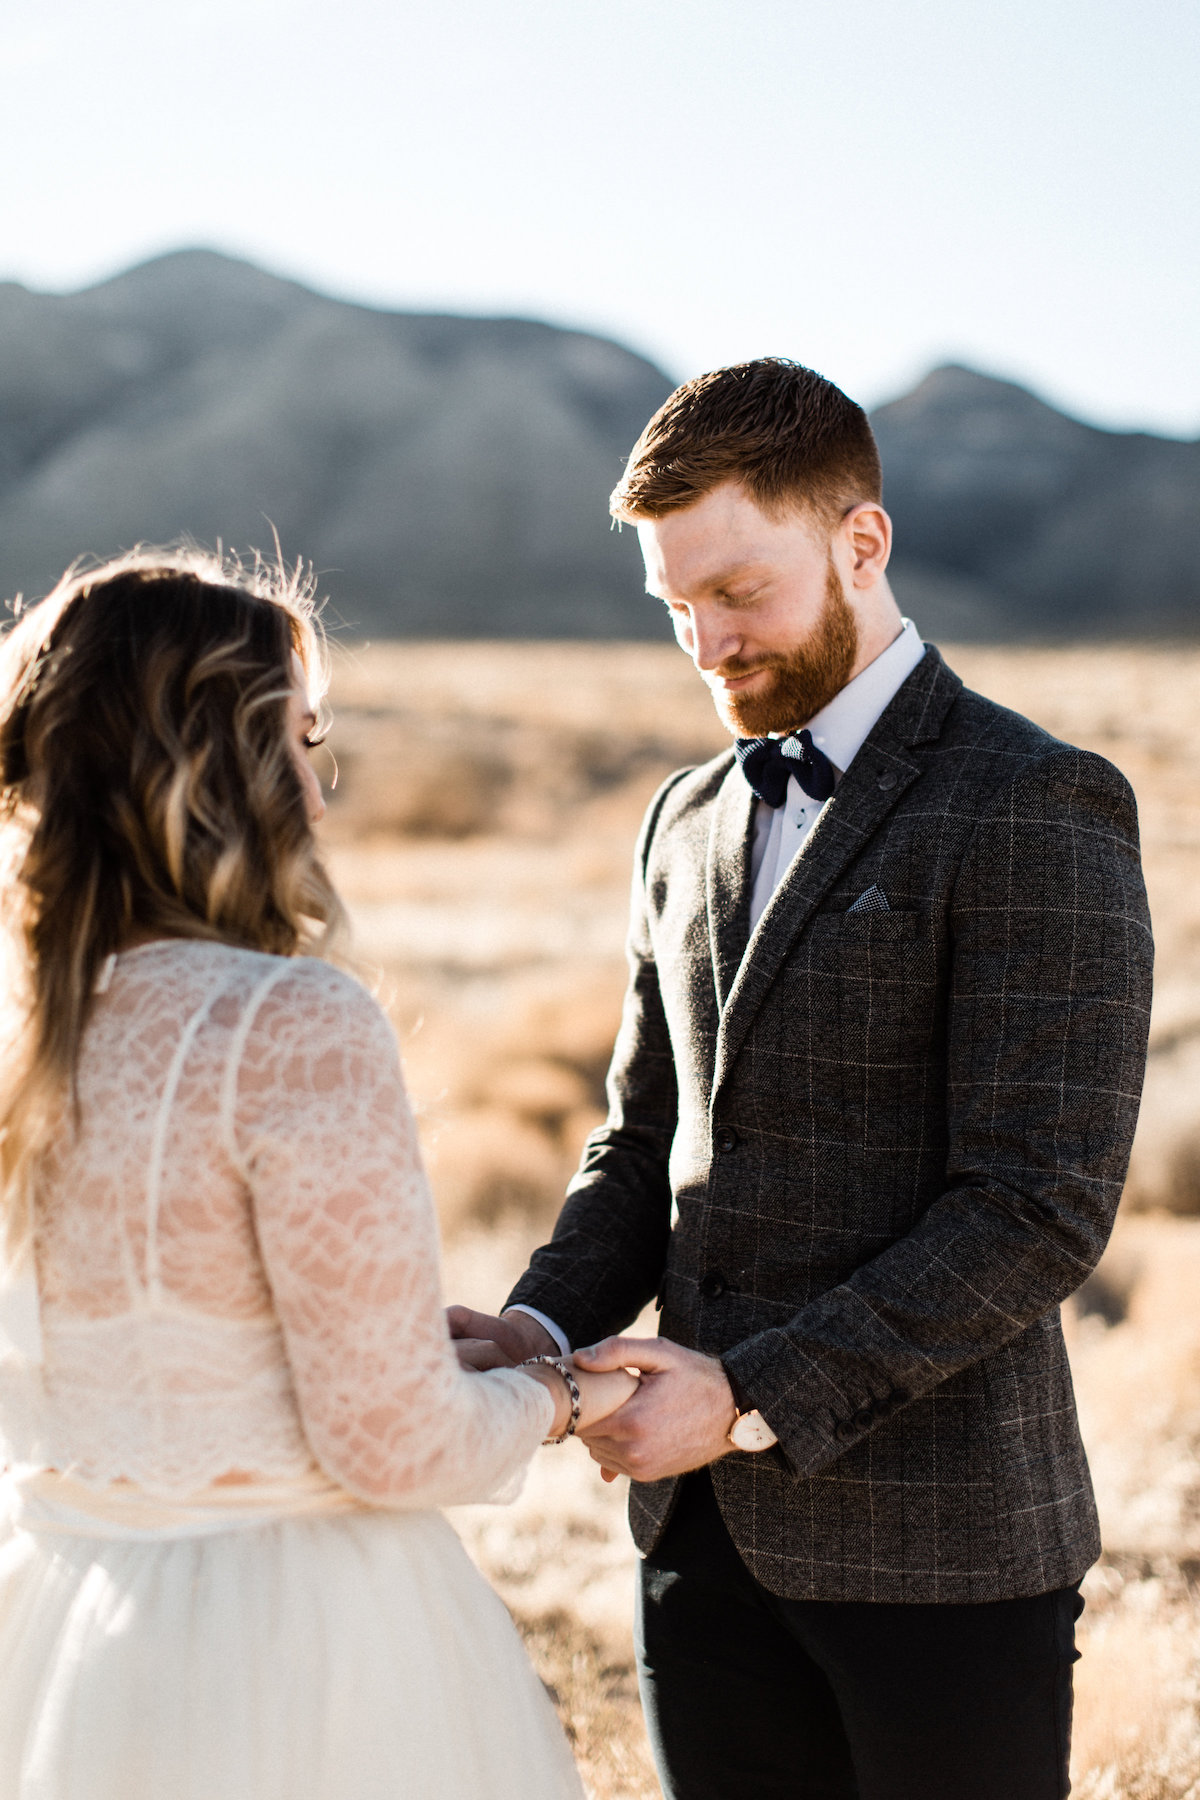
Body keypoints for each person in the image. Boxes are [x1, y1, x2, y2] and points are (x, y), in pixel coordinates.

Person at [449, 358, 1155, 1799]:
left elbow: (1036, 1206)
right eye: (673, 609)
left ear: (860, 542)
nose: (706, 642)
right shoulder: (685, 817)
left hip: (943, 1560)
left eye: (739, 592)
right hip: (697, 1547)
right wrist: (537, 1324)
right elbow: (646, 1145)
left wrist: (751, 1391)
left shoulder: (1035, 799)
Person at [0, 549, 637, 1800]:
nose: (319, 792)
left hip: (64, 1622)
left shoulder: (26, 1038)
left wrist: (418, 1347)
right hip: (294, 1644)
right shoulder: (286, 1025)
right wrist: (565, 1395)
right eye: (299, 740)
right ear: (215, 768)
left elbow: (162, 1354)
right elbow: (393, 1447)